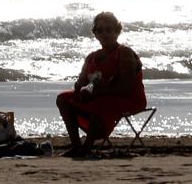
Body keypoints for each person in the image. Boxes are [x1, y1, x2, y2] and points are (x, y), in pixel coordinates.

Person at [55, 11, 146, 157]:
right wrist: (83, 88)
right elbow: (80, 84)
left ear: (117, 31)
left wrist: (99, 91)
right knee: (63, 98)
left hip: (128, 99)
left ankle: (87, 148)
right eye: (100, 30)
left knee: (100, 101)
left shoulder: (124, 53)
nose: (104, 34)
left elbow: (126, 87)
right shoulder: (91, 58)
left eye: (109, 30)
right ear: (95, 33)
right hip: (98, 98)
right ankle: (76, 145)